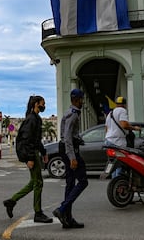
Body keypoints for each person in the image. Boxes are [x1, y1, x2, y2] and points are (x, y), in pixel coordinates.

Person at [3, 95, 53, 224]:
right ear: (36, 104)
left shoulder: (36, 118)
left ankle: (12, 201)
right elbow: (27, 140)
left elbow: (36, 139)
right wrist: (30, 158)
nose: (44, 106)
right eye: (43, 103)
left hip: (35, 153)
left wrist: (43, 152)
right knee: (38, 183)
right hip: (32, 154)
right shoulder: (31, 119)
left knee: (34, 182)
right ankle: (38, 213)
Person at [53, 89, 87, 229]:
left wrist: (78, 139)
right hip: (70, 151)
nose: (83, 102)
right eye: (81, 99)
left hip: (68, 148)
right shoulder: (73, 115)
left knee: (70, 183)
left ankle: (67, 218)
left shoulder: (70, 113)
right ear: (78, 99)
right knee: (83, 181)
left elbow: (70, 136)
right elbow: (67, 137)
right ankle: (62, 210)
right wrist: (72, 157)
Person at [105, 96, 141, 177]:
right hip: (118, 142)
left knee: (112, 164)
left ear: (116, 104)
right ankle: (119, 184)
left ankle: (114, 183)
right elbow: (124, 125)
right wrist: (134, 128)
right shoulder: (122, 111)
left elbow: (106, 128)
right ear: (124, 104)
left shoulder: (110, 113)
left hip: (108, 141)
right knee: (120, 164)